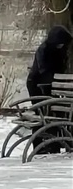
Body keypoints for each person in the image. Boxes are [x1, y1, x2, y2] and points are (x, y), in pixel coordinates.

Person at [26, 25, 72, 154]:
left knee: (52, 114)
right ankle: (41, 146)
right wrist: (52, 83)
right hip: (37, 85)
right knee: (42, 114)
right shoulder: (44, 50)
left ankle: (54, 143)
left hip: (51, 85)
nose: (62, 46)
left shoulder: (60, 51)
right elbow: (43, 71)